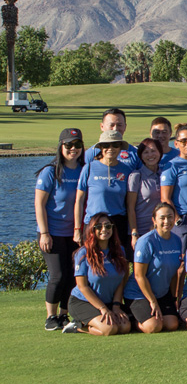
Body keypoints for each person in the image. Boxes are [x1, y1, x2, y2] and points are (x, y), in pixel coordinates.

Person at [35, 128, 84, 330]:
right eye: (68, 145)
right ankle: (50, 316)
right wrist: (44, 233)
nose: (73, 149)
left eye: (77, 145)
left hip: (75, 232)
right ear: (61, 146)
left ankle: (64, 315)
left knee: (73, 274)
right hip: (52, 232)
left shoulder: (84, 169)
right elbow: (39, 204)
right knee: (58, 275)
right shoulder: (51, 171)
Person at [63, 214, 132, 336]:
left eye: (108, 226)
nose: (104, 229)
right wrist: (103, 309)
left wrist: (116, 305)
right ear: (92, 230)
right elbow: (82, 286)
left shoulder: (119, 250)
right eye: (99, 226)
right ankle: (78, 326)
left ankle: (91, 321)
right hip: (83, 302)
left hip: (108, 302)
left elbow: (121, 281)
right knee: (110, 329)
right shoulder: (83, 253)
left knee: (125, 327)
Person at [122, 202, 184, 334]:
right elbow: (139, 275)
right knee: (154, 327)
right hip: (138, 294)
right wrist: (152, 301)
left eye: (170, 217)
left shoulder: (177, 240)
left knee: (172, 324)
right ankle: (132, 318)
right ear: (154, 220)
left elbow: (174, 273)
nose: (166, 221)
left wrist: (173, 299)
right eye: (162, 218)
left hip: (161, 293)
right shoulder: (146, 241)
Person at [75, 129, 136, 257]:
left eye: (115, 145)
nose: (111, 148)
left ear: (120, 147)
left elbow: (131, 205)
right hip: (93, 222)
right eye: (106, 145)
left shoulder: (127, 170)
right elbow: (79, 201)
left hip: (117, 223)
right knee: (93, 262)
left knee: (117, 264)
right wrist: (77, 229)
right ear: (101, 148)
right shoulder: (89, 167)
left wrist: (133, 231)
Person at [126, 138, 165, 245]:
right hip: (142, 231)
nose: (150, 155)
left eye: (153, 151)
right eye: (146, 152)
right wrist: (134, 233)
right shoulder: (136, 176)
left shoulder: (165, 174)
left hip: (162, 230)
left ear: (160, 152)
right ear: (141, 156)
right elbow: (130, 207)